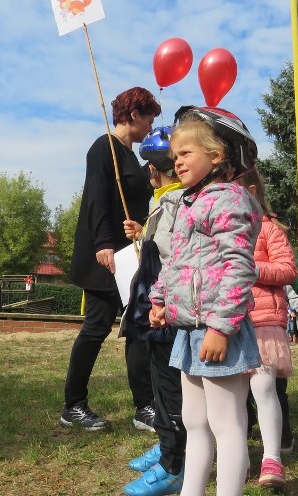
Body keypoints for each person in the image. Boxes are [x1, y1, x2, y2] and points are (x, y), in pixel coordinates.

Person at [149, 106, 262, 496]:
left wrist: (221, 326)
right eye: (174, 155)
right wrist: (160, 298)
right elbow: (176, 260)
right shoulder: (186, 203)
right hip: (188, 331)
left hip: (217, 331)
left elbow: (239, 267)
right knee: (195, 422)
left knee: (227, 425)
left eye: (186, 153)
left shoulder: (229, 199)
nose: (176, 161)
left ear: (217, 156)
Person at [60, 87, 161, 432]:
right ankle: (73, 405)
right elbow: (96, 200)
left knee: (138, 328)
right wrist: (103, 243)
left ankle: (143, 406)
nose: (150, 126)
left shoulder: (133, 157)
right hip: (107, 256)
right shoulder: (104, 148)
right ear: (134, 115)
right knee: (96, 328)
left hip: (131, 255)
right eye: (149, 118)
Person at [120, 126, 186, 496]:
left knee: (170, 388)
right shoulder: (165, 200)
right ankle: (167, 445)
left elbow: (173, 256)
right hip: (156, 308)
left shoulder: (176, 201)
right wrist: (142, 232)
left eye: (151, 165)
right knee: (163, 387)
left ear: (155, 170)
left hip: (167, 312)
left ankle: (173, 464)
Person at [239, 168, 298, 489]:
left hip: (261, 322)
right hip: (230, 322)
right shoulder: (221, 232)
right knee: (234, 396)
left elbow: (288, 268)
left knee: (263, 389)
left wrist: (251, 267)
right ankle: (241, 455)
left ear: (250, 192)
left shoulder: (267, 229)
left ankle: (271, 457)